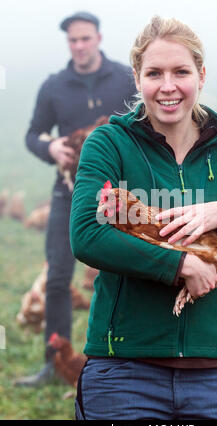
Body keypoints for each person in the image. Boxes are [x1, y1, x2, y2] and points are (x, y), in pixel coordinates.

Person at [70, 16, 217, 419]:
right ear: (137, 79)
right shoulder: (109, 143)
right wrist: (180, 265)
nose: (167, 86)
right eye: (154, 73)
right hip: (123, 372)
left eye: (181, 72)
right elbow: (86, 234)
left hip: (214, 375)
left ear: (201, 75)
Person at [15, 11, 136, 387]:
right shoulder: (54, 86)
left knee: (127, 274)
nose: (79, 45)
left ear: (98, 38)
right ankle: (55, 364)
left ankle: (128, 364)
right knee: (57, 280)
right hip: (68, 194)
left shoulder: (123, 79)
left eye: (85, 38)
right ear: (68, 43)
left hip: (122, 196)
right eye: (73, 40)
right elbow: (33, 133)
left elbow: (146, 125)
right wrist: (51, 147)